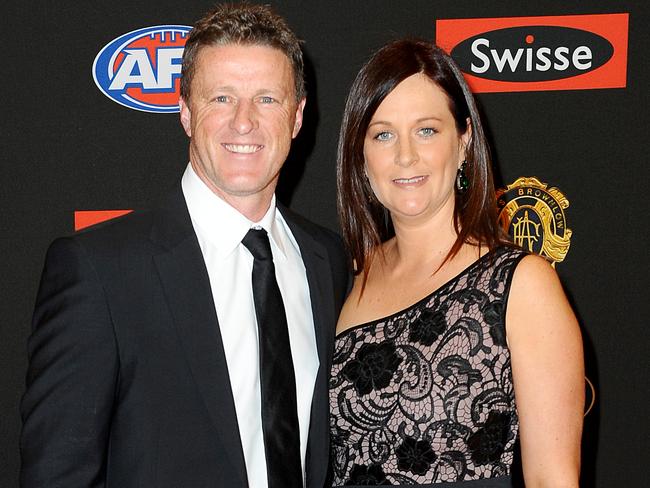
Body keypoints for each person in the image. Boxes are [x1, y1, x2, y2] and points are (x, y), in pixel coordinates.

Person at [20, 4, 349, 488]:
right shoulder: (101, 270)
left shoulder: (328, 260)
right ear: (186, 112)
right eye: (221, 98)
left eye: (267, 99)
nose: (244, 122)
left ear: (298, 116)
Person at [329, 39, 584, 487]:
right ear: (361, 156)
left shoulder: (520, 285)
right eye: (383, 134)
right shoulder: (344, 278)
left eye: (427, 130)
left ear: (464, 141)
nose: (405, 155)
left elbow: (553, 478)